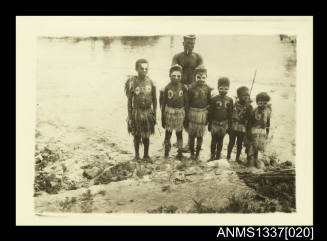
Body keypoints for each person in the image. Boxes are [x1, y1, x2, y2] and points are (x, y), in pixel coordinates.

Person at [160, 35, 204, 153]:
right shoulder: (178, 56)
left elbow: (202, 71)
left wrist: (195, 84)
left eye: (193, 43)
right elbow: (174, 68)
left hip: (192, 87)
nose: (191, 46)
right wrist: (177, 70)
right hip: (179, 86)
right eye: (188, 43)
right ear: (183, 43)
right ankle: (171, 141)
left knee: (189, 116)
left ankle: (190, 144)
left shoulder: (198, 57)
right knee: (174, 109)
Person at [126, 59, 157, 162]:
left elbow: (155, 99)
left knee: (146, 135)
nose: (144, 71)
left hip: (148, 112)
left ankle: (146, 155)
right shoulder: (132, 83)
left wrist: (155, 114)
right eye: (141, 69)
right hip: (137, 113)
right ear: (136, 69)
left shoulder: (151, 82)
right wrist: (130, 116)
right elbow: (129, 101)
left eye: (146, 69)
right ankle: (137, 155)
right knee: (136, 135)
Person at [161, 65, 189, 160]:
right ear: (169, 76)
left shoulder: (183, 87)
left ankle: (180, 152)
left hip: (180, 113)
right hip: (169, 113)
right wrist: (162, 117)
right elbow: (163, 104)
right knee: (168, 133)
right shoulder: (167, 87)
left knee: (179, 133)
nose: (176, 78)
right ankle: (166, 152)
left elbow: (186, 103)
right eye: (174, 76)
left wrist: (186, 117)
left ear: (181, 77)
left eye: (178, 76)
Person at [186, 65, 212, 161]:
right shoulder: (191, 88)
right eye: (198, 77)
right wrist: (187, 115)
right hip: (192, 113)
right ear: (195, 77)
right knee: (191, 135)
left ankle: (197, 154)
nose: (201, 79)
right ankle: (192, 153)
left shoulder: (208, 88)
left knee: (200, 135)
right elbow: (187, 102)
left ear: (206, 77)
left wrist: (208, 116)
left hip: (202, 114)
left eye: (203, 78)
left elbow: (209, 102)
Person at [207, 77, 234, 162]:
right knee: (213, 140)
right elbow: (210, 112)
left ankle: (218, 156)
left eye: (226, 89)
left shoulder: (230, 100)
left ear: (228, 89)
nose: (223, 91)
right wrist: (209, 123)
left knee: (221, 141)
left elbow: (230, 113)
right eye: (221, 88)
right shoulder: (214, 99)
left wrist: (230, 124)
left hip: (224, 124)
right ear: (218, 88)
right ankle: (212, 156)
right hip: (214, 123)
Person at [226, 86, 253, 163]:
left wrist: (248, 108)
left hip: (242, 127)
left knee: (240, 143)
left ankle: (237, 158)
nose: (246, 97)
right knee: (231, 142)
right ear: (238, 96)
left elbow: (249, 118)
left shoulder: (249, 107)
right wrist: (228, 126)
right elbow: (230, 115)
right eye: (244, 95)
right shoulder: (234, 105)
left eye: (248, 95)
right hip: (233, 126)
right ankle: (228, 156)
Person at [246, 92, 272, 169]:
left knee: (259, 147)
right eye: (260, 102)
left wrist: (267, 133)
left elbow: (268, 123)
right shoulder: (254, 111)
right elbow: (249, 123)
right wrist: (249, 133)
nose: (262, 104)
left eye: (265, 103)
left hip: (262, 132)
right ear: (257, 102)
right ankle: (250, 161)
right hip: (254, 131)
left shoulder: (268, 111)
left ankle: (256, 161)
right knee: (251, 146)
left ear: (267, 103)